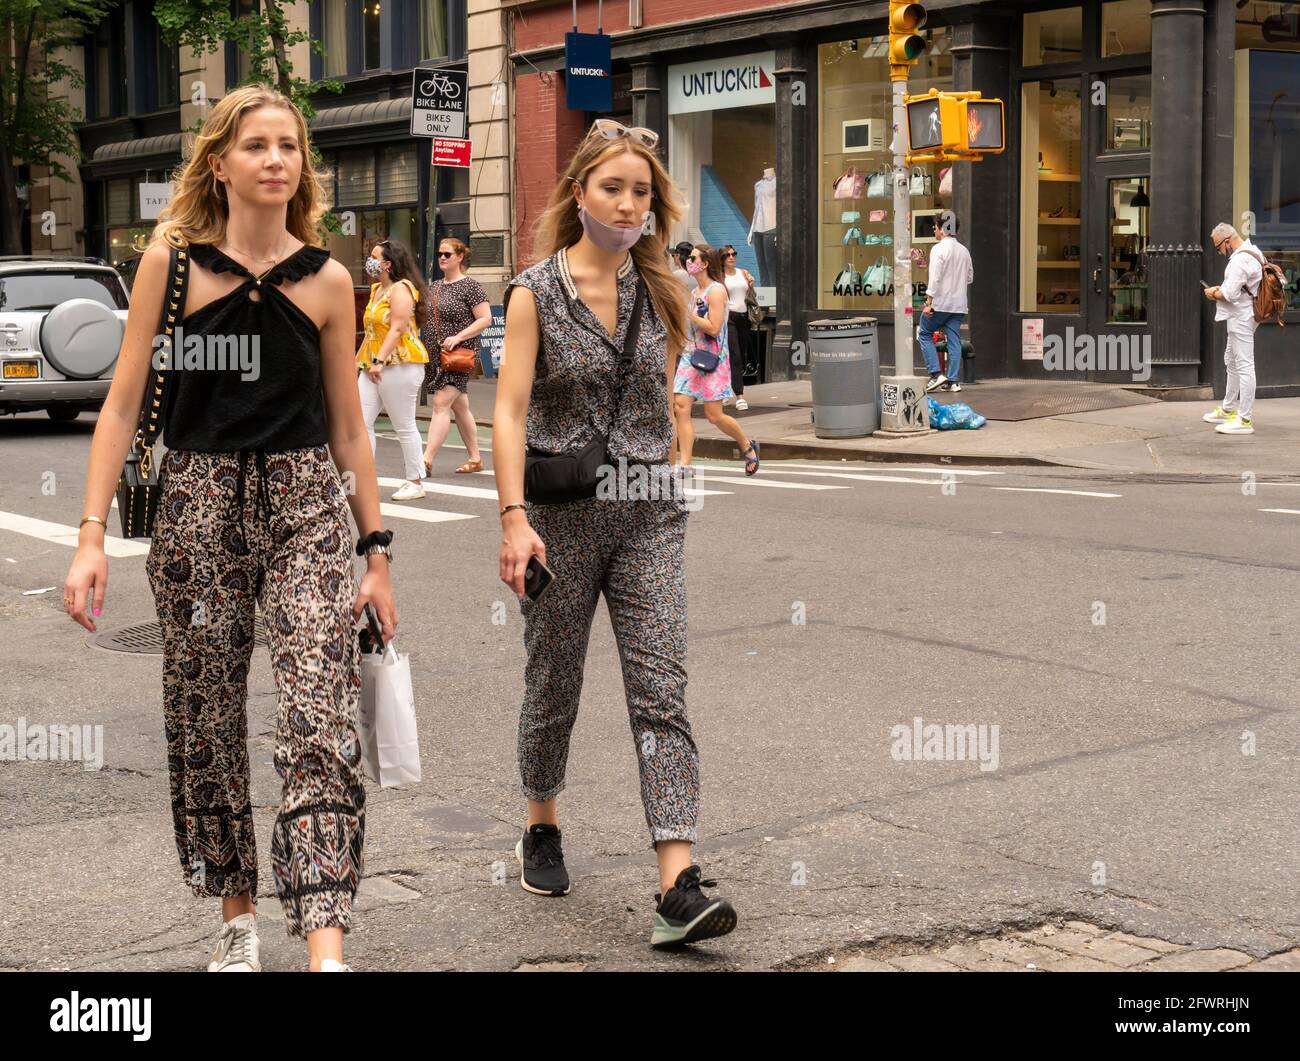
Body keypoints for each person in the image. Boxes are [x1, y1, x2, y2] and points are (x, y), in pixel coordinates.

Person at [61, 85, 397, 972]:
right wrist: (91, 533)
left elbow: (350, 428)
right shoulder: (169, 268)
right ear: (222, 162)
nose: (278, 158)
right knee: (204, 718)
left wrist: (376, 548)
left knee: (319, 717)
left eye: (290, 145)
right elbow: (124, 404)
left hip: (305, 509)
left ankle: (326, 944)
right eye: (257, 144)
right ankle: (236, 914)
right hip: (197, 509)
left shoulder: (328, 279)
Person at [493, 117, 738, 949]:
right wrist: (512, 517)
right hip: (559, 517)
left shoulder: (660, 284)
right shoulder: (534, 291)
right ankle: (542, 822)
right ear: (579, 193)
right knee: (553, 685)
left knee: (660, 690)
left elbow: (680, 380)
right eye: (613, 188)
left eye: (641, 191)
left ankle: (678, 880)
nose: (629, 204)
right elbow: (510, 410)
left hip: (648, 511)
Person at [672, 243, 760, 474]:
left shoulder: (717, 291)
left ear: (705, 263)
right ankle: (685, 464)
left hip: (713, 360)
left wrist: (689, 315)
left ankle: (747, 446)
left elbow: (713, 327)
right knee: (681, 407)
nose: (688, 262)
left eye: (692, 258)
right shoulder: (694, 293)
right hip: (691, 355)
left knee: (714, 415)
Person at [356, 238, 431, 499]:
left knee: (404, 424)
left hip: (401, 362)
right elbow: (371, 331)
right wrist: (361, 361)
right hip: (371, 364)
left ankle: (415, 481)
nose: (370, 260)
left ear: (387, 263)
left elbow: (398, 328)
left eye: (374, 256)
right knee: (360, 423)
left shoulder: (402, 288)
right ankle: (364, 477)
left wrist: (378, 360)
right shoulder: (377, 289)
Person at [421, 237, 491, 475]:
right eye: (440, 253)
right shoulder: (435, 286)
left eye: (447, 254)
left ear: (460, 257)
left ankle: (426, 460)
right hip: (437, 355)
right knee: (460, 406)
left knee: (441, 403)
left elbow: (485, 319)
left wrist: (459, 337)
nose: (442, 257)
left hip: (458, 356)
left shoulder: (470, 286)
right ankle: (476, 458)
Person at [1202, 221, 1263, 435]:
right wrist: (1224, 289)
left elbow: (1229, 295)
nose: (1219, 252)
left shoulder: (1239, 260)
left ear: (1227, 242)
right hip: (1247, 314)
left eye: (1218, 247)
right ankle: (1228, 409)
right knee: (1232, 360)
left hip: (1241, 317)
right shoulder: (1253, 251)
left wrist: (1213, 293)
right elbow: (1242, 288)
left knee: (1244, 365)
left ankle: (1244, 419)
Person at [920, 215, 973, 393]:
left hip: (940, 303)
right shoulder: (964, 250)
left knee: (924, 332)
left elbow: (934, 278)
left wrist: (928, 302)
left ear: (942, 228)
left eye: (935, 227)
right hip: (959, 305)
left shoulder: (938, 249)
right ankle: (953, 381)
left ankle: (936, 374)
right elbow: (970, 277)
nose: (934, 230)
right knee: (954, 340)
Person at [720, 243, 755, 411]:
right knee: (734, 355)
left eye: (734, 254)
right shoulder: (719, 276)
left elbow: (748, 294)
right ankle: (739, 395)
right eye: (728, 255)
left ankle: (725, 389)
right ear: (722, 259)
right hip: (729, 318)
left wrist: (751, 283)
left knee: (740, 353)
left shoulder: (742, 272)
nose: (732, 257)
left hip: (744, 317)